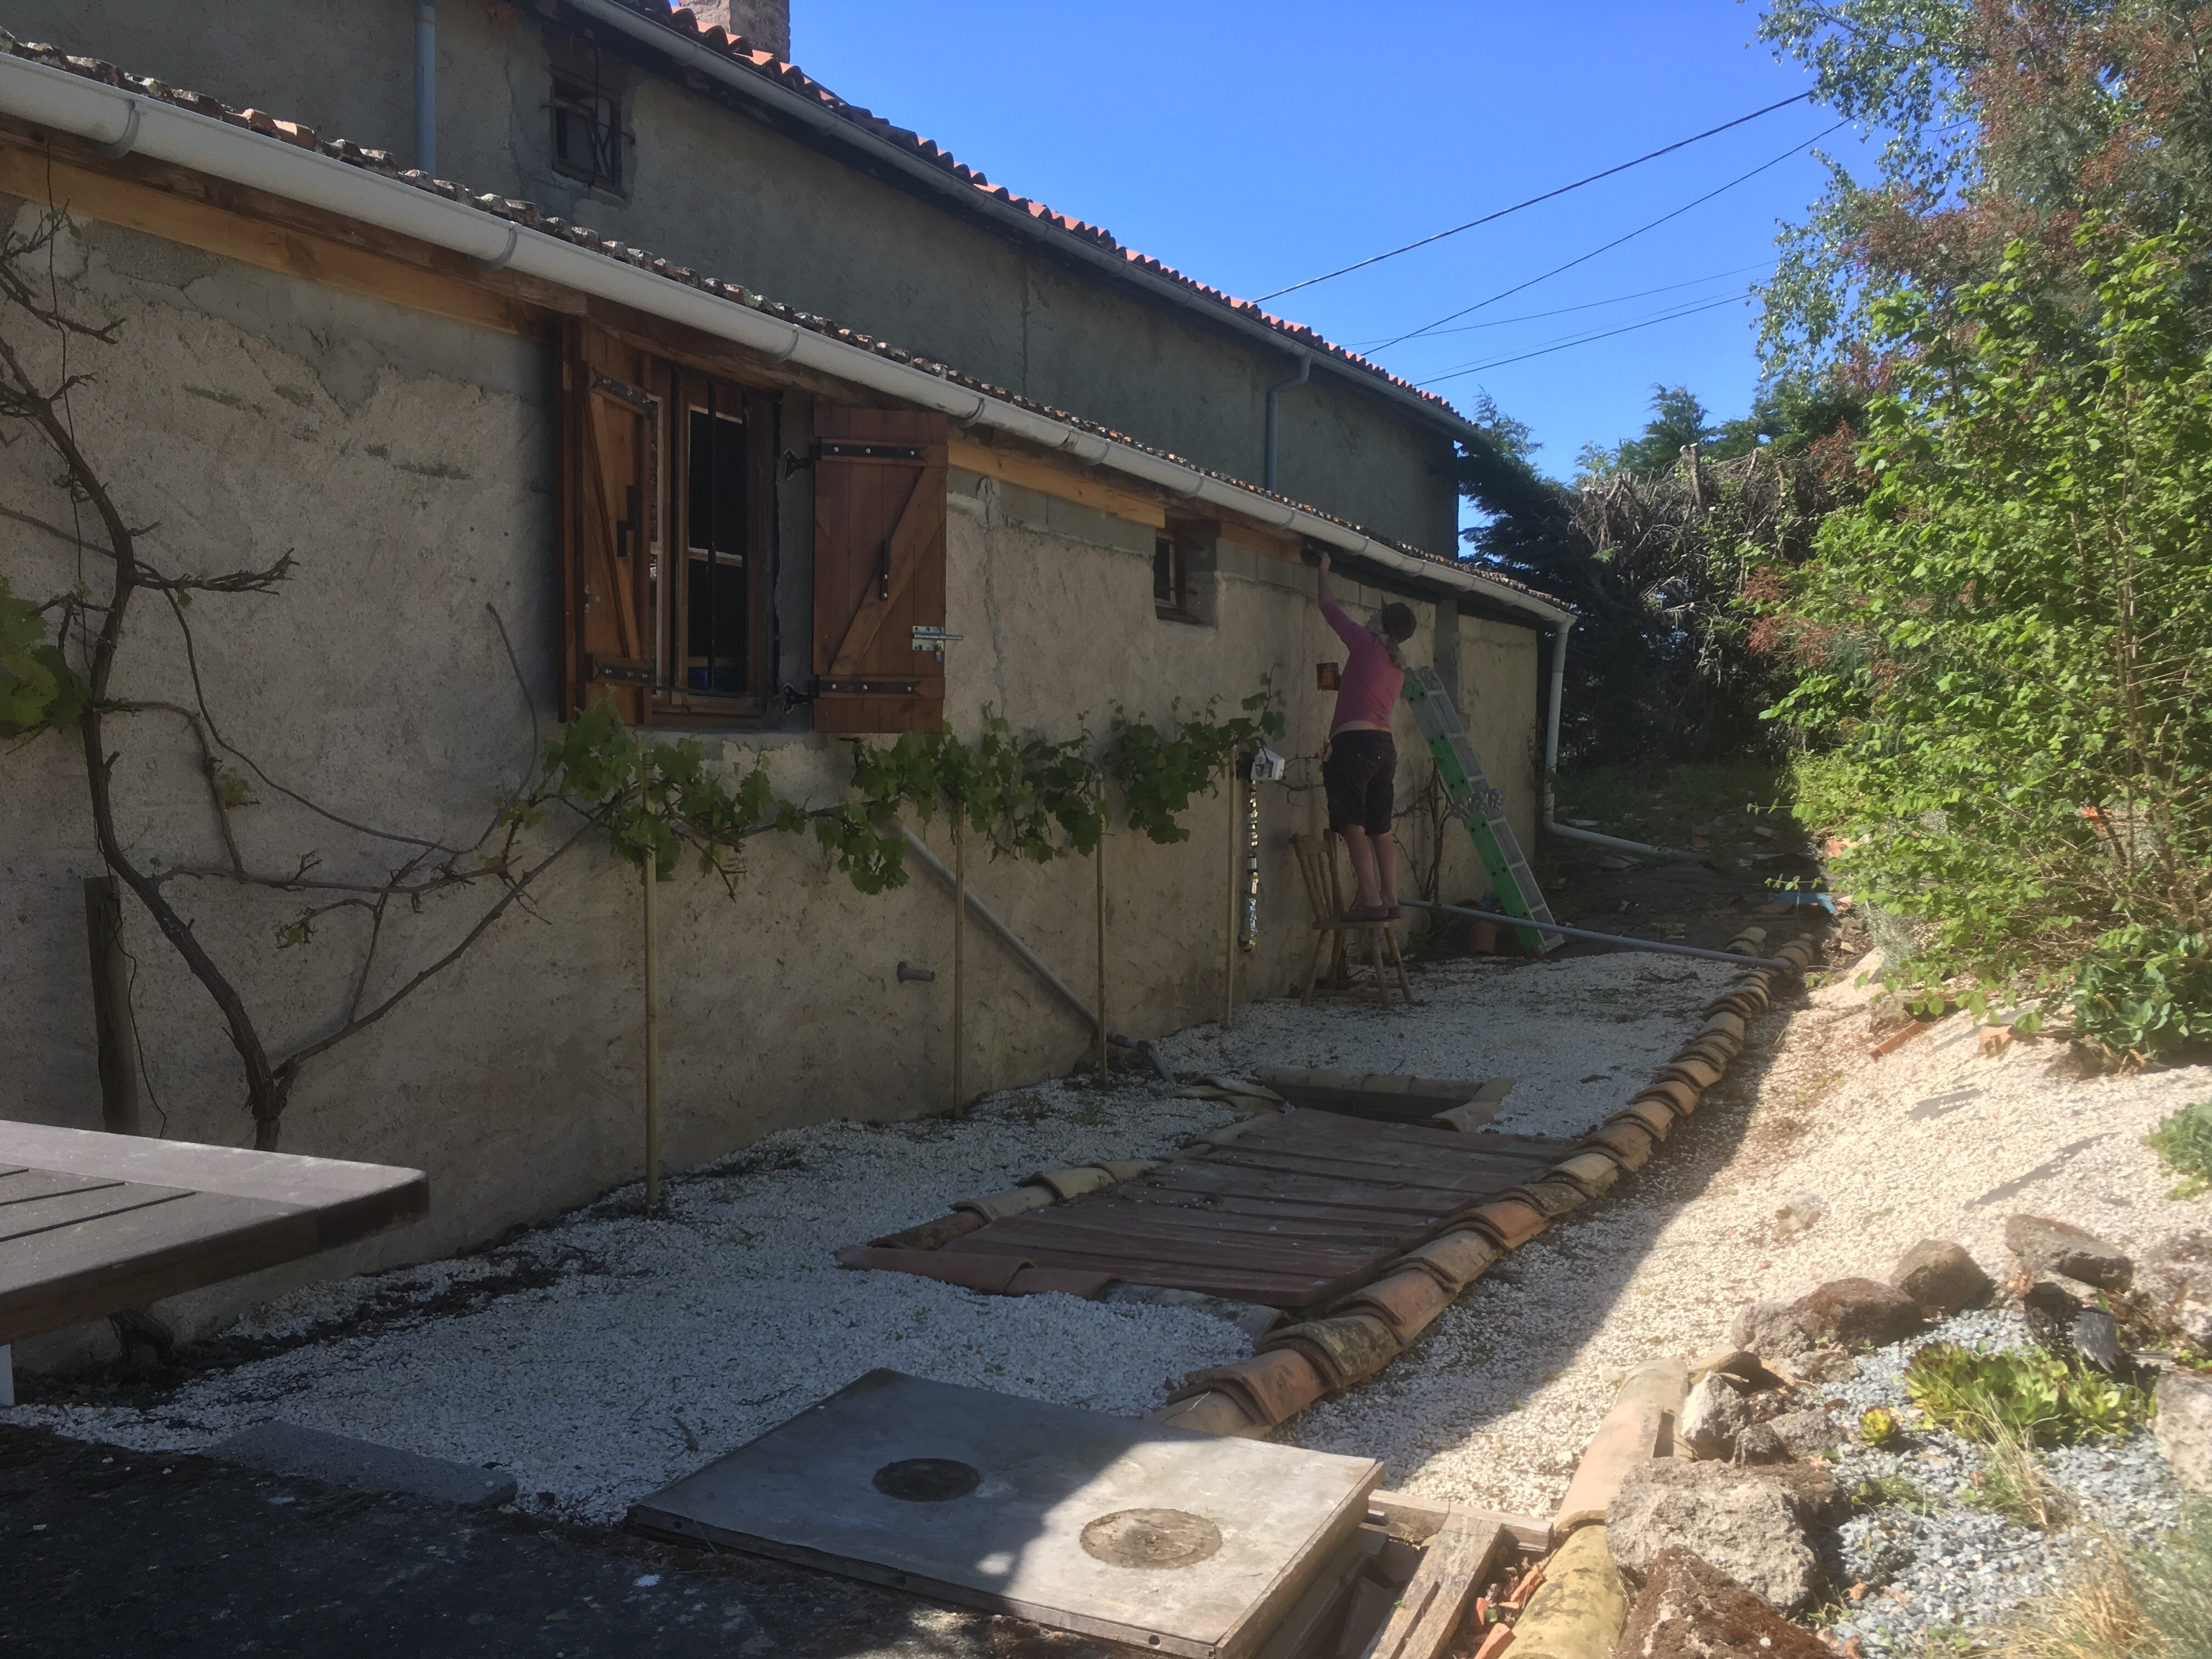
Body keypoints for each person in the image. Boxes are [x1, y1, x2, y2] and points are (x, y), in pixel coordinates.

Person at [1313, 550, 1417, 922]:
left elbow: (1328, 607)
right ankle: (1390, 898)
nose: (1371, 616)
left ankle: (1370, 900)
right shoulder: (1397, 667)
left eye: (1377, 615)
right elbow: (1366, 696)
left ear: (1382, 625)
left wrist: (1323, 570)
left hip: (1354, 746)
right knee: (1380, 829)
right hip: (1383, 748)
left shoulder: (1365, 643)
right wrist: (1343, 685)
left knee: (1352, 824)